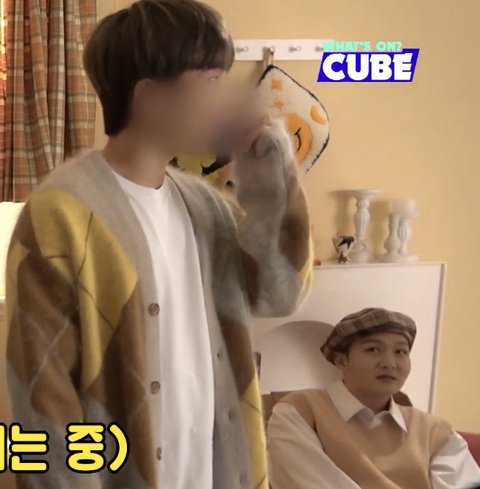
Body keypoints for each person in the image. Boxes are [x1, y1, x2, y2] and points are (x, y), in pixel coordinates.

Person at [5, 1, 313, 488]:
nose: (224, 101)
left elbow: (279, 293)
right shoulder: (59, 214)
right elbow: (42, 394)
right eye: (210, 81)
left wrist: (267, 169)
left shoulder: (206, 208)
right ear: (148, 97)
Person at [267, 308, 480, 489]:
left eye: (400, 352)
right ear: (341, 361)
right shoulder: (300, 411)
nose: (389, 363)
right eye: (373, 349)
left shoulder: (435, 431)